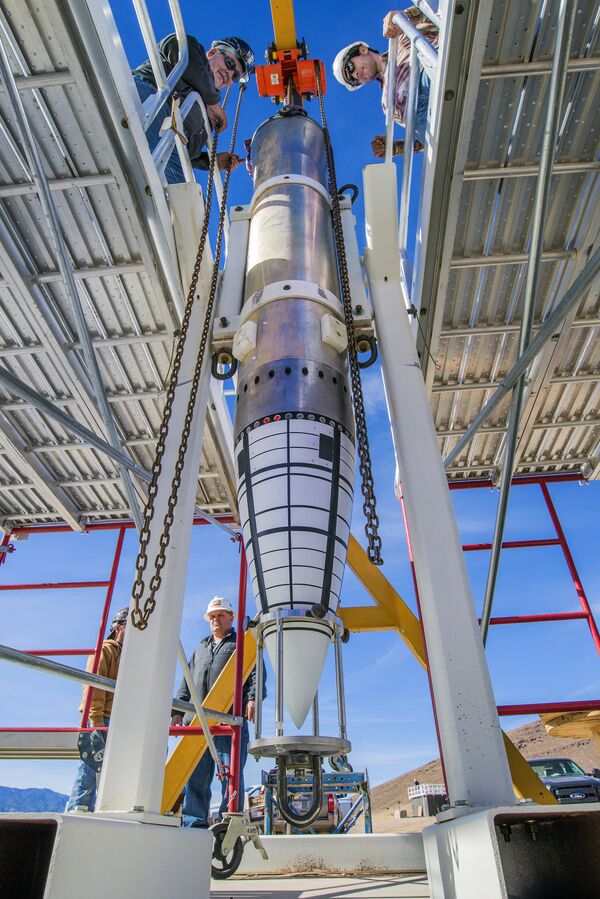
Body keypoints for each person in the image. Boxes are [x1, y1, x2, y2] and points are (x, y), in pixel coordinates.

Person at [171, 596, 265, 828]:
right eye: (212, 617)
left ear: (232, 618)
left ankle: (228, 822)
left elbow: (255, 672)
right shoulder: (201, 648)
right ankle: (195, 824)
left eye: (221, 615)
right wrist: (177, 710)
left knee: (230, 775)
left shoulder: (242, 644)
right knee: (196, 777)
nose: (216, 620)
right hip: (198, 723)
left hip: (228, 722)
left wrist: (252, 698)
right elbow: (187, 681)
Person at [132, 35, 255, 183]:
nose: (229, 74)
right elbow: (180, 49)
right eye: (229, 63)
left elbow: (185, 155)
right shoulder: (189, 51)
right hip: (145, 101)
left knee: (191, 199)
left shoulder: (205, 117)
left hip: (166, 145)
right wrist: (213, 103)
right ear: (212, 53)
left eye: (235, 77)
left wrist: (211, 161)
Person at [332, 7, 439, 158]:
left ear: (363, 50)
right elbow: (424, 139)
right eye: (353, 80)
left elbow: (436, 10)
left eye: (350, 67)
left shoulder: (403, 36)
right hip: (433, 121)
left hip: (436, 73)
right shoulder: (387, 106)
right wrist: (395, 148)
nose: (356, 75)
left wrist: (404, 17)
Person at [65, 607, 128, 812]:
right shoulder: (106, 650)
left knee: (109, 772)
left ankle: (92, 810)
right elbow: (93, 686)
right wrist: (96, 721)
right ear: (118, 627)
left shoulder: (127, 656)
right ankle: (78, 808)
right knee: (90, 769)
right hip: (103, 718)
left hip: (117, 719)